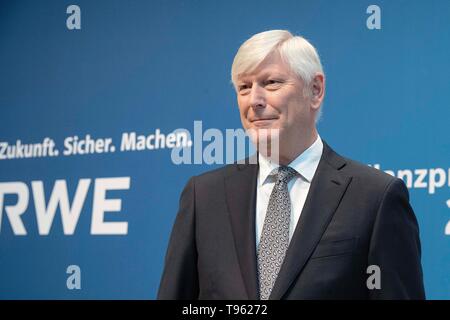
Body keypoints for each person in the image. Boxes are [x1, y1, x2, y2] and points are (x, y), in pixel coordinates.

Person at [157, 30, 425, 299]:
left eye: (271, 82)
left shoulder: (375, 197)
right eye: (244, 87)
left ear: (315, 90)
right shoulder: (204, 196)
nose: (254, 100)